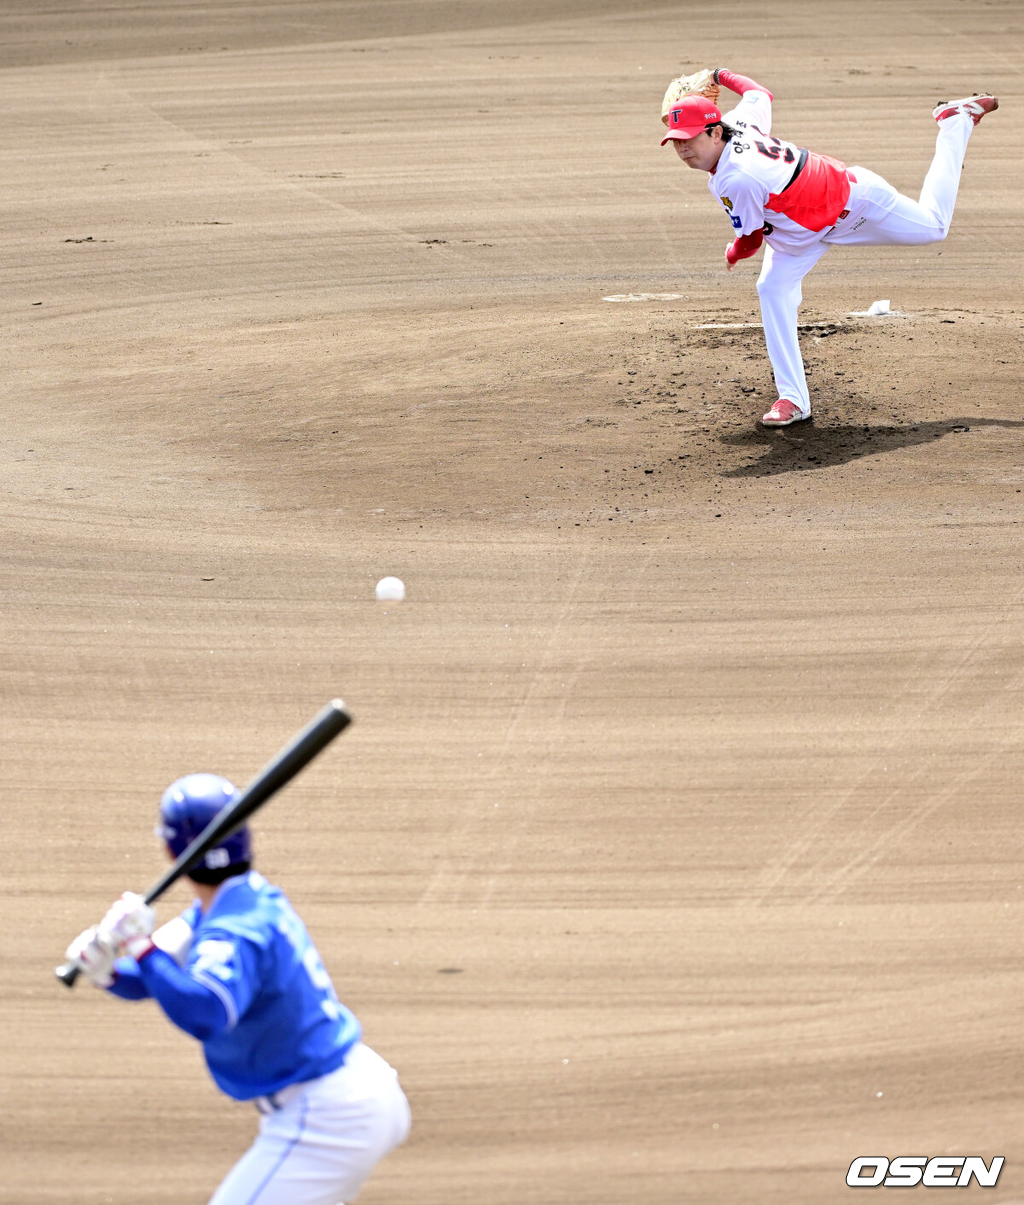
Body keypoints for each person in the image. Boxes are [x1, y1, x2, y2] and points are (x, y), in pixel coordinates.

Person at [65, 772, 410, 1205]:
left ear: (171, 850)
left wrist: (139, 944)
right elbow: (162, 980)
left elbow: (205, 1012)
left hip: (327, 1113)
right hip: (349, 1091)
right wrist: (109, 973)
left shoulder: (233, 930)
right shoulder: (235, 903)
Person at [661, 69, 998, 427]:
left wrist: (732, 253)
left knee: (934, 227)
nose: (682, 149)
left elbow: (751, 240)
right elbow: (759, 92)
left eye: (689, 139)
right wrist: (719, 74)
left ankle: (954, 122)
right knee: (772, 289)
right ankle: (793, 399)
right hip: (797, 236)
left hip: (855, 206)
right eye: (676, 141)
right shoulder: (737, 121)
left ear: (714, 132)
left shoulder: (737, 177)